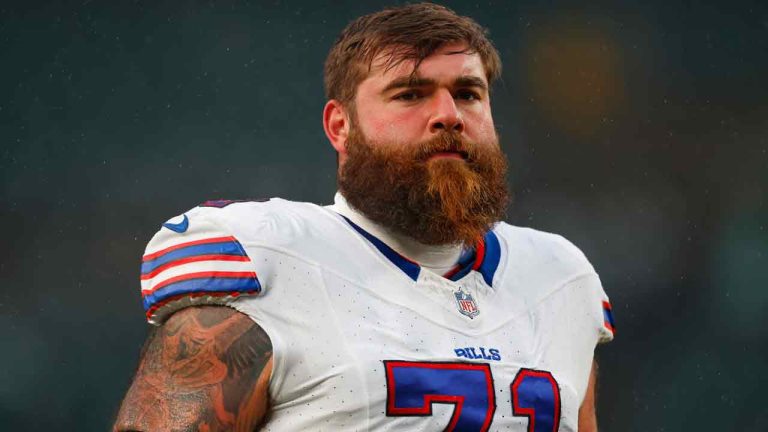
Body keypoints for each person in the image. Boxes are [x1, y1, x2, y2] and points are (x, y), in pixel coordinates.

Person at [114, 3, 615, 431]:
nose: (448, 115)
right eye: (410, 94)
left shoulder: (559, 278)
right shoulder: (267, 257)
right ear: (341, 126)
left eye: (467, 93)